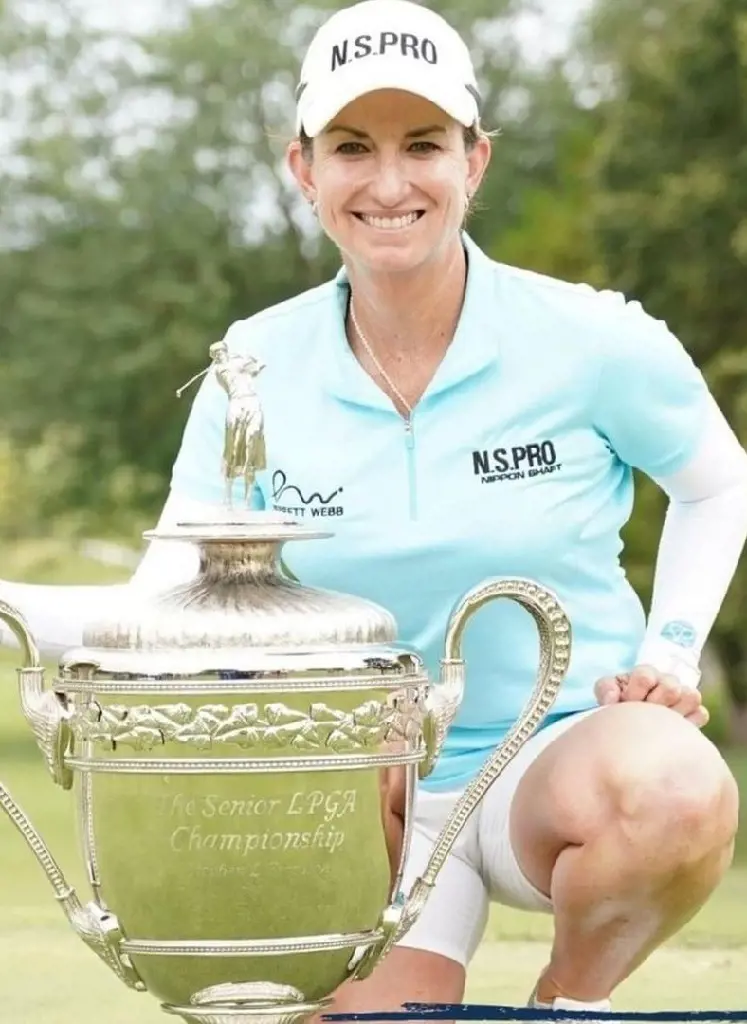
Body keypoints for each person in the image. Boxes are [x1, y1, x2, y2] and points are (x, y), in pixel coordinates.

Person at [1, 0, 745, 1013]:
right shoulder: (251, 366)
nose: (390, 182)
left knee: (674, 788)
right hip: (359, 795)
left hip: (561, 757)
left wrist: (668, 652)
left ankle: (564, 1004)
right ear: (304, 168)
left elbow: (717, 480)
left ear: (474, 161)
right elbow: (161, 608)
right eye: (352, 146)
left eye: (424, 145)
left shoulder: (594, 341)